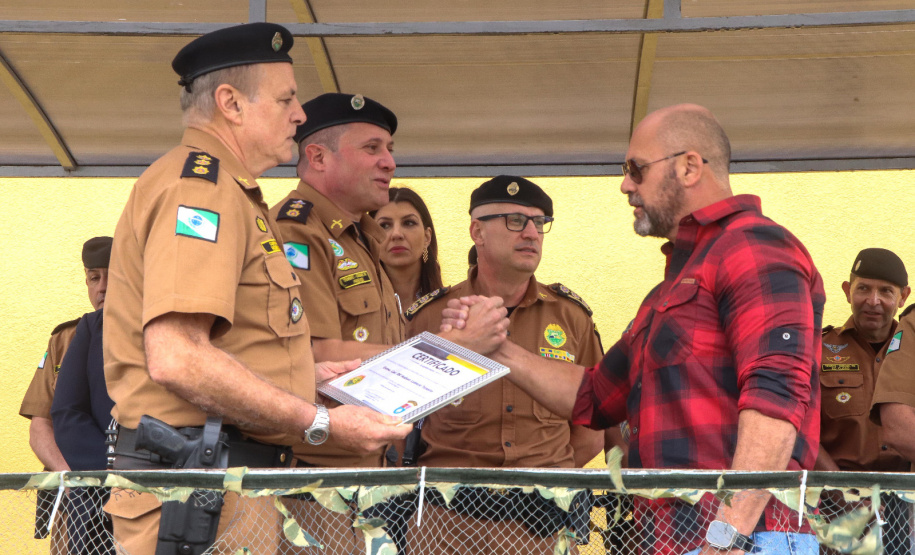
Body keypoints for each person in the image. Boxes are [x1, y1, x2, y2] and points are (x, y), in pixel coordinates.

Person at [445, 105, 824, 555]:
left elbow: (776, 401)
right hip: (674, 538)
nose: (625, 185)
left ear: (688, 167)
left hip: (741, 541)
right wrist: (495, 346)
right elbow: (595, 395)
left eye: (635, 170)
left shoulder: (754, 245)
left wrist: (727, 536)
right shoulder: (669, 290)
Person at [101, 24, 417, 555]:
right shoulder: (201, 188)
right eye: (286, 98)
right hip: (200, 489)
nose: (299, 114)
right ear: (231, 103)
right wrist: (321, 423)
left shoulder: (228, 190)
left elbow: (228, 343)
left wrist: (303, 375)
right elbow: (177, 357)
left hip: (226, 484)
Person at [405, 175, 604, 553]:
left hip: (544, 524)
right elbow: (400, 416)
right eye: (515, 221)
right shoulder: (431, 317)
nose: (531, 232)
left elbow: (593, 426)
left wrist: (538, 485)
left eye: (539, 222)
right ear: (477, 232)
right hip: (449, 526)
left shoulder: (571, 317)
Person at [816, 248, 910, 554]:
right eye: (863, 288)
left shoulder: (912, 353)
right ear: (847, 291)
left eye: (886, 291)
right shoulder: (818, 351)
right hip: (837, 509)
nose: (874, 301)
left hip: (907, 508)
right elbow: (800, 431)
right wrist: (846, 494)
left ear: (904, 296)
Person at [19, 235, 110, 550]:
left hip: (131, 493)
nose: (102, 287)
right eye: (94, 278)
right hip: (72, 494)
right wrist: (70, 479)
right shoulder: (64, 339)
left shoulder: (150, 337)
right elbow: (40, 425)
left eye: (112, 276)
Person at [372, 186, 444, 306]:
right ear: (370, 237)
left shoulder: (450, 308)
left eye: (408, 223)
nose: (396, 234)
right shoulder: (354, 305)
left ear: (427, 237)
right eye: (384, 225)